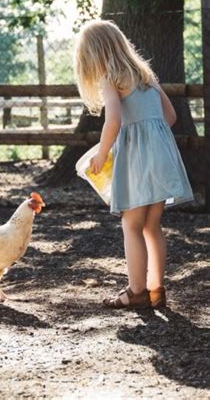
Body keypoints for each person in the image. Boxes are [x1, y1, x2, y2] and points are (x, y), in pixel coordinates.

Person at [74, 19, 193, 309]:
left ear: (94, 55)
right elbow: (171, 116)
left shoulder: (109, 78)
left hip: (138, 162)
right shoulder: (145, 75)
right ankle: (156, 291)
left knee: (131, 224)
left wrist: (103, 154)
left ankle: (137, 291)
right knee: (152, 226)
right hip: (162, 156)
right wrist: (149, 136)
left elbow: (112, 120)